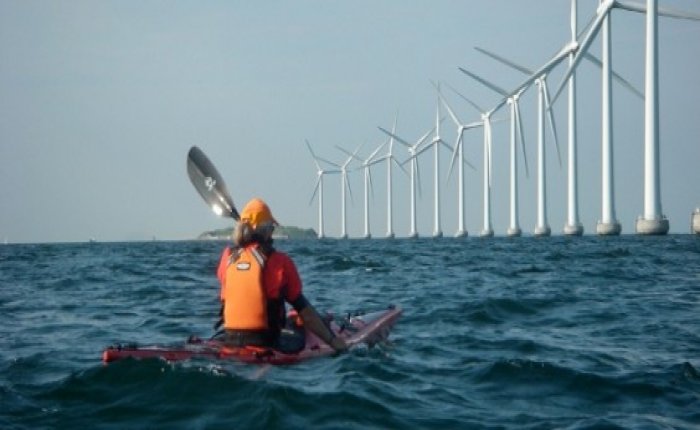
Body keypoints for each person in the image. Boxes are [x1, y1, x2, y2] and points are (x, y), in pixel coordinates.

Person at [216, 197, 348, 353]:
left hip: (230, 340)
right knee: (299, 326)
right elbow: (307, 314)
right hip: (267, 343)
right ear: (265, 230)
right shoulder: (280, 262)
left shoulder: (227, 258)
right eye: (271, 228)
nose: (272, 233)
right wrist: (333, 341)